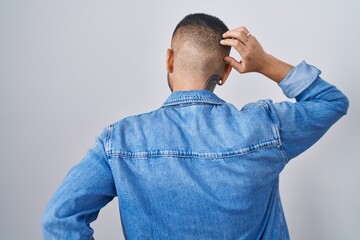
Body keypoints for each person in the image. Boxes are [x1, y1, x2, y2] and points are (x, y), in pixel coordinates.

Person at [41, 13, 349, 239]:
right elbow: (330, 102)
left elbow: (59, 220)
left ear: (169, 61)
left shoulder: (120, 140)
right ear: (226, 73)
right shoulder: (264, 127)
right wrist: (265, 62)